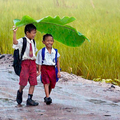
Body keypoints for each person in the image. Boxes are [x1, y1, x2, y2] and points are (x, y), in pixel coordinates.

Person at [13, 24, 39, 106]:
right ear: (27, 33)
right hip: (25, 63)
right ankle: (20, 91)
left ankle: (29, 98)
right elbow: (15, 42)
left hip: (32, 63)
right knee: (23, 81)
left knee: (33, 81)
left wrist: (37, 66)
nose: (34, 35)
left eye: (35, 33)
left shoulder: (33, 42)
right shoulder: (22, 40)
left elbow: (34, 53)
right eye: (33, 33)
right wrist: (14, 33)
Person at [36, 34, 61, 105]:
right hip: (44, 68)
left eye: (51, 41)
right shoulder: (41, 52)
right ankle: (47, 97)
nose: (49, 42)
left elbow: (57, 61)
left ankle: (47, 96)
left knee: (52, 83)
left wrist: (58, 72)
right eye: (47, 41)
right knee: (46, 82)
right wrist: (39, 71)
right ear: (43, 42)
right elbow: (40, 62)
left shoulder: (55, 51)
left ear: (53, 42)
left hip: (52, 68)